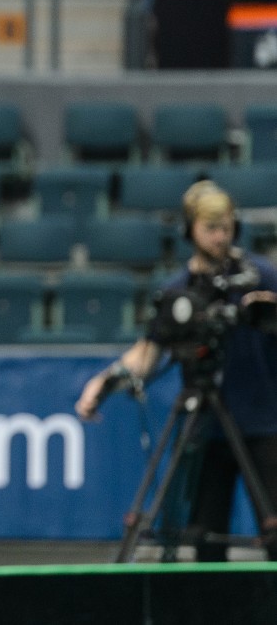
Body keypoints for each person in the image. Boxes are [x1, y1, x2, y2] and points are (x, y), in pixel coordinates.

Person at [76, 180, 277, 562]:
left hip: (265, 425)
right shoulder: (176, 294)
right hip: (206, 427)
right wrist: (104, 382)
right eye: (211, 228)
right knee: (202, 539)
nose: (221, 236)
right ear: (189, 231)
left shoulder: (262, 278)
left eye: (227, 226)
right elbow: (147, 355)